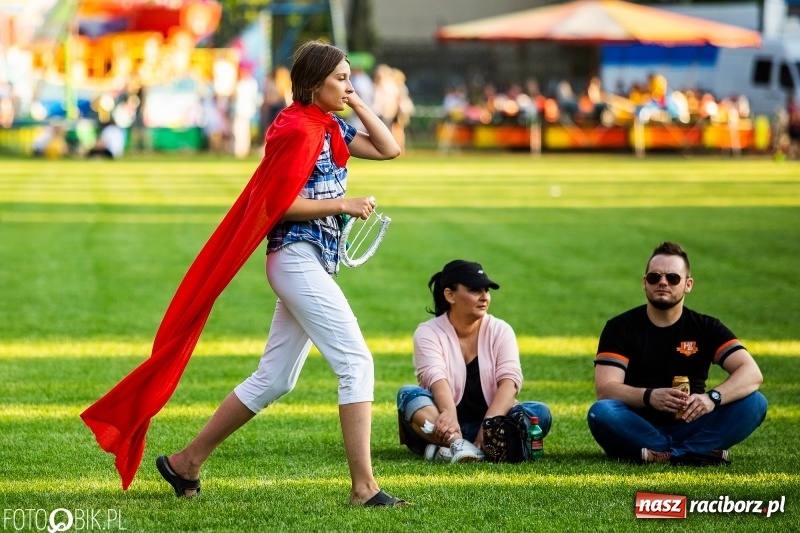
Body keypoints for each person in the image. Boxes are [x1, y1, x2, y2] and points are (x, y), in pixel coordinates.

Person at [155, 41, 407, 507]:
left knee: (276, 379)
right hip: (294, 258)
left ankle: (185, 462)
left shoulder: (328, 123)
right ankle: (364, 488)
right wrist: (343, 204)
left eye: (350, 77)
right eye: (341, 78)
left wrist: (356, 100)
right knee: (357, 362)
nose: (349, 85)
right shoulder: (295, 127)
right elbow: (276, 205)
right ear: (312, 84)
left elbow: (390, 149)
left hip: (309, 261)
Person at [587, 242, 767, 465]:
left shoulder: (706, 327)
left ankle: (666, 454)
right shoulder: (620, 327)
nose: (663, 282)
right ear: (645, 283)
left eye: (672, 278)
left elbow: (751, 373)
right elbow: (605, 389)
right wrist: (650, 396)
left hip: (693, 423)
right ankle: (696, 452)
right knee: (602, 412)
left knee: (755, 403)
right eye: (654, 277)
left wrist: (711, 398)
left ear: (688, 284)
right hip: (638, 423)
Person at [397, 260, 552, 462]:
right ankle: (458, 444)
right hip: (443, 422)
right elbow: (435, 377)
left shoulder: (500, 330)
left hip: (489, 423)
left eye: (486, 291)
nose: (484, 297)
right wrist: (448, 413)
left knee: (540, 412)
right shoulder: (428, 332)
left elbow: (509, 381)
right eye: (474, 290)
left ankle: (446, 449)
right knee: (408, 394)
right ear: (449, 295)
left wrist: (489, 424)